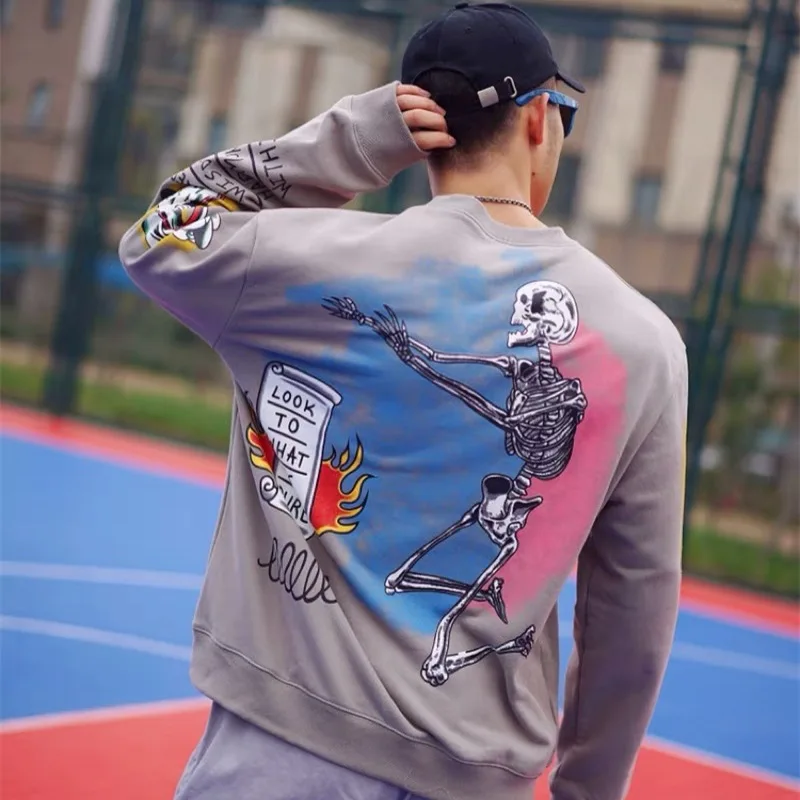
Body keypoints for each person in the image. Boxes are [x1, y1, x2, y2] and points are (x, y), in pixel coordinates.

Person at [119, 3, 687, 799]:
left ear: (420, 122)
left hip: (273, 761)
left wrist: (354, 141)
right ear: (538, 119)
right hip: (472, 775)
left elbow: (160, 230)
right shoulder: (641, 342)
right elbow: (634, 609)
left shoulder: (301, 263)